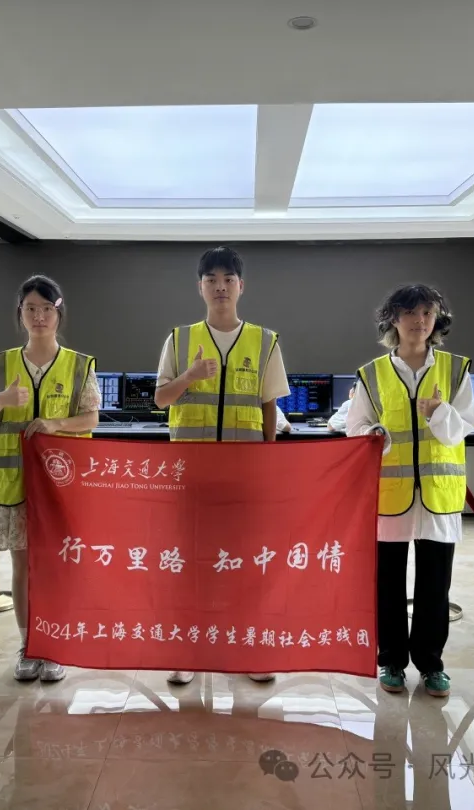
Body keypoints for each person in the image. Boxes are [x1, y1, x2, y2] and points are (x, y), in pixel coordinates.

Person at [154, 246, 291, 685]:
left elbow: (268, 406)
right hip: (190, 475)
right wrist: (189, 377)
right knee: (190, 562)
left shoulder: (265, 341)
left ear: (241, 286)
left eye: (228, 279)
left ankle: (249, 649)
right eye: (211, 279)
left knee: (244, 563)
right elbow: (161, 399)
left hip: (243, 476)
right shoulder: (178, 339)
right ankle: (187, 651)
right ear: (200, 287)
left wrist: (268, 463)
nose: (220, 287)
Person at [347, 284, 474, 697]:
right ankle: (391, 660)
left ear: (437, 320)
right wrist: (375, 433)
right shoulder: (372, 373)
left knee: (435, 586)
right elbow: (356, 427)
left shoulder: (455, 370)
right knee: (387, 583)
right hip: (390, 494)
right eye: (410, 313)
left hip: (439, 494)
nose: (419, 321)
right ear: (393, 319)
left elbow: (464, 427)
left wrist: (439, 412)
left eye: (427, 313)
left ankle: (431, 664)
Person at [0, 275, 101, 683]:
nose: (39, 316)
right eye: (31, 309)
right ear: (20, 314)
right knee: (23, 565)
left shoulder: (78, 365)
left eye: (46, 308)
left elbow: (91, 417)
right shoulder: (0, 365)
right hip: (13, 485)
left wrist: (55, 423)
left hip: (61, 489)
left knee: (56, 566)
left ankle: (55, 644)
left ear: (58, 313)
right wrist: (2, 400)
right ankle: (29, 645)